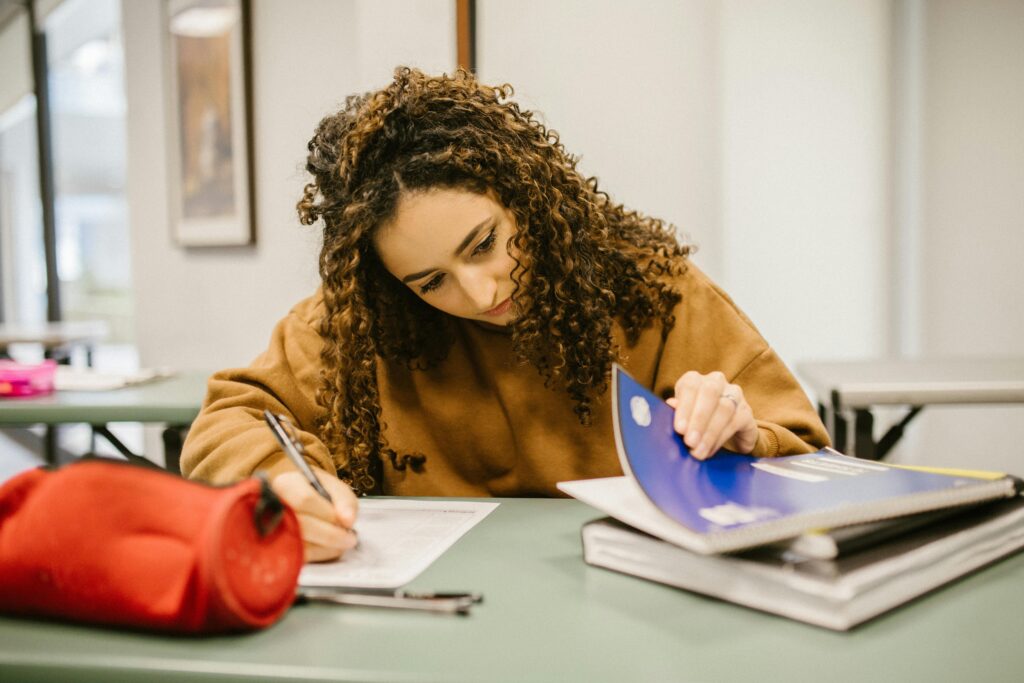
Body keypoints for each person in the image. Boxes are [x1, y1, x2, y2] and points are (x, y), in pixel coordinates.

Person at [181, 67, 830, 562]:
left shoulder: (653, 292)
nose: (482, 292)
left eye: (485, 243)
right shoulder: (358, 326)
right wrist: (282, 481)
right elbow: (229, 417)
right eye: (430, 281)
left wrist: (746, 437)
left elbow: (804, 449)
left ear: (525, 193)